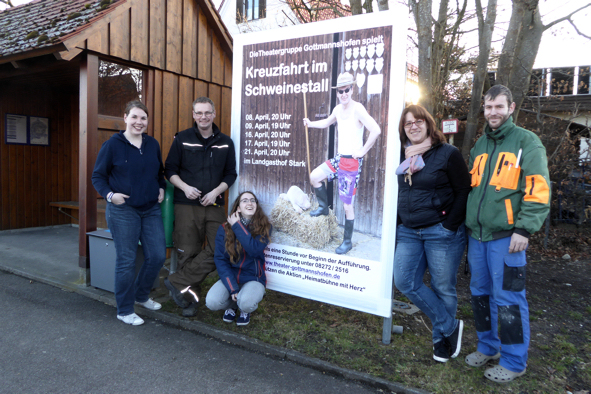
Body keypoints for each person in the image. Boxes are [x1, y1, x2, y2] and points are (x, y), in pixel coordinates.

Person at [465, 85, 550, 382]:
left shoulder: (528, 143)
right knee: (479, 295)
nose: (493, 113)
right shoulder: (480, 145)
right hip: (477, 237)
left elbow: (538, 192)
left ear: (511, 108)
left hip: (507, 239)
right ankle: (489, 347)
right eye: (488, 108)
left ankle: (514, 362)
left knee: (509, 300)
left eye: (499, 107)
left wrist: (524, 229)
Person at [393, 104, 471, 363]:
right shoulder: (403, 157)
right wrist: (398, 224)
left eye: (418, 121)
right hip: (409, 231)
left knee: (442, 287)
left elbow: (463, 191)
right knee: (404, 281)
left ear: (428, 124)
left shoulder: (448, 153)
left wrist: (450, 225)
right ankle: (449, 326)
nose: (413, 126)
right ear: (403, 129)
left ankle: (440, 340)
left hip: (441, 231)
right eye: (407, 123)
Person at [92, 100, 167, 326]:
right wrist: (109, 195)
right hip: (123, 210)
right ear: (125, 118)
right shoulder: (112, 145)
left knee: (157, 256)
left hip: (150, 208)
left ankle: (141, 296)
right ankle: (124, 310)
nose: (139, 122)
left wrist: (161, 187)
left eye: (143, 118)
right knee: (126, 260)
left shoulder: (152, 144)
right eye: (134, 117)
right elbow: (98, 177)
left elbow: (159, 172)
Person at [164, 97, 237, 317]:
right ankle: (189, 300)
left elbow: (231, 173)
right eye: (199, 113)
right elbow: (169, 170)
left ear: (214, 114)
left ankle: (175, 281)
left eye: (207, 113)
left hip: (214, 204)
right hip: (186, 205)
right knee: (188, 252)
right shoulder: (182, 139)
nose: (203, 117)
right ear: (193, 115)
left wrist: (216, 191)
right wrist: (185, 187)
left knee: (222, 247)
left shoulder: (226, 142)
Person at [302, 72, 381, 254]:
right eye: (340, 91)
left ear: (352, 90)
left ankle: (347, 241)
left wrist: (362, 151)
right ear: (337, 92)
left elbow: (375, 130)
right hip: (338, 159)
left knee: (347, 205)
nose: (343, 94)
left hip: (351, 164)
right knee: (315, 176)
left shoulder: (358, 108)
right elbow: (327, 122)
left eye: (346, 90)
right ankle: (323, 208)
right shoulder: (338, 109)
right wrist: (311, 123)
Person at [205, 191, 271, 326]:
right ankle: (233, 306)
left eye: (253, 200)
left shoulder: (265, 227)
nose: (250, 203)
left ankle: (244, 308)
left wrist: (237, 225)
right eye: (245, 200)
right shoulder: (224, 228)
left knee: (246, 303)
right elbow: (220, 259)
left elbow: (253, 249)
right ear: (238, 208)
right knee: (212, 302)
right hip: (232, 276)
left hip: (254, 278)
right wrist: (232, 288)